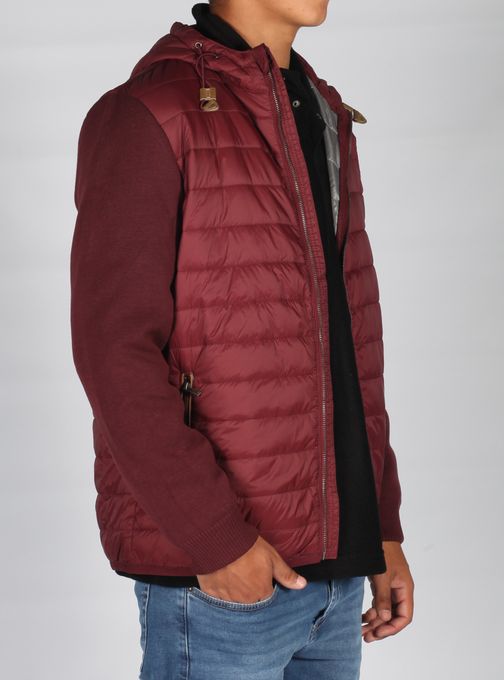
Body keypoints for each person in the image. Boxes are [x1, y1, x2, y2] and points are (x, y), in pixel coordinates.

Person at [70, 1, 414, 677]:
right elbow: (114, 352)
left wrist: (380, 525)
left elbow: (348, 345)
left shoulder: (324, 113)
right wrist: (216, 539)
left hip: (339, 581)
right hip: (223, 582)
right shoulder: (149, 112)